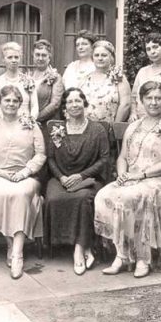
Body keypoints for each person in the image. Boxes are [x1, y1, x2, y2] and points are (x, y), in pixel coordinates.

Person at [94, 81, 161, 278]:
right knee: (105, 194)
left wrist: (141, 175)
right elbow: (122, 157)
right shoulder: (134, 126)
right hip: (133, 178)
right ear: (141, 100)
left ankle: (142, 258)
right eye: (149, 98)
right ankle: (122, 254)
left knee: (137, 196)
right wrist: (122, 174)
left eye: (158, 98)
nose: (153, 102)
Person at [0, 85, 46, 279]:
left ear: (20, 104)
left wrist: (26, 171)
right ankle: (11, 245)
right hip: (0, 175)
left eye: (15, 101)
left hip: (26, 176)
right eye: (7, 100)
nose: (11, 104)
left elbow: (40, 154)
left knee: (20, 193)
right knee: (0, 192)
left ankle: (17, 253)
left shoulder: (30, 125)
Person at [44, 88, 109, 275]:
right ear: (64, 106)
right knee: (54, 199)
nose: (74, 105)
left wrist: (81, 176)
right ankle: (78, 244)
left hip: (88, 178)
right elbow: (50, 159)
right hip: (61, 178)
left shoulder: (97, 130)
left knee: (82, 199)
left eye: (78, 101)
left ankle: (80, 249)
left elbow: (104, 159)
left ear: (84, 103)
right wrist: (62, 177)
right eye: (70, 102)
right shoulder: (58, 130)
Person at [81, 40, 131, 123]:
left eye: (104, 55)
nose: (100, 58)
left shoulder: (118, 78)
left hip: (109, 128)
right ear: (92, 58)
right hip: (86, 128)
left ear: (111, 58)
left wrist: (114, 127)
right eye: (96, 55)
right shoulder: (85, 79)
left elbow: (125, 105)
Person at [0, 42, 39, 121]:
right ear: (3, 59)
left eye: (16, 57)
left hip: (24, 125)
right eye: (10, 57)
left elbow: (35, 105)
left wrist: (31, 121)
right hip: (4, 125)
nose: (13, 60)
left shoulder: (28, 81)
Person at [28, 39, 64, 124]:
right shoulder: (28, 76)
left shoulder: (56, 78)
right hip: (27, 122)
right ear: (33, 56)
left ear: (49, 57)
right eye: (37, 55)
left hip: (46, 124)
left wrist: (35, 118)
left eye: (44, 55)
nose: (40, 58)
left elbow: (54, 105)